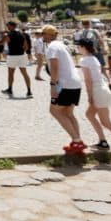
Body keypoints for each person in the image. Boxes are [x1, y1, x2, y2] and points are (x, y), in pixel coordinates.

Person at [43, 25, 85, 154]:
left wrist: (53, 86)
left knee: (54, 111)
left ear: (49, 35)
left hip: (64, 84)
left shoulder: (52, 47)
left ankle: (77, 141)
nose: (42, 36)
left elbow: (54, 67)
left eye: (43, 33)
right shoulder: (62, 45)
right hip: (75, 82)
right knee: (68, 113)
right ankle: (78, 142)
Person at [0, 21, 33, 98]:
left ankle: (10, 89)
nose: (7, 27)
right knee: (25, 73)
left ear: (11, 26)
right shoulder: (22, 34)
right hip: (21, 55)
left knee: (11, 73)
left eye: (8, 25)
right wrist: (20, 51)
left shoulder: (7, 35)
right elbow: (26, 47)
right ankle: (29, 91)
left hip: (12, 56)